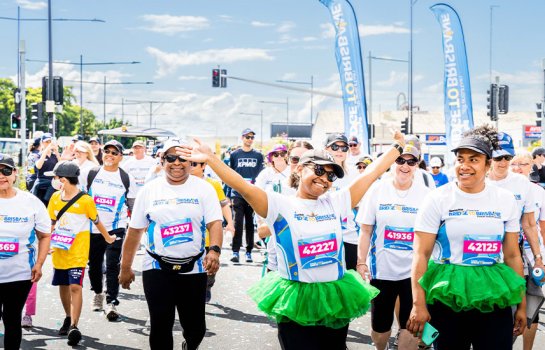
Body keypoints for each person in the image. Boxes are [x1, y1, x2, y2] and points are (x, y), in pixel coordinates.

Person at [176, 132, 405, 350]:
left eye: (330, 175)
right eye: (318, 170)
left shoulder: (336, 202)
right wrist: (211, 159)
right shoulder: (279, 204)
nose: (324, 179)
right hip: (296, 300)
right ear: (301, 168)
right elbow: (242, 187)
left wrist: (397, 147)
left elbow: (370, 174)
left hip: (335, 298)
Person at [407, 125, 527, 349]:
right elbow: (421, 254)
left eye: (474, 159)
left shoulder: (505, 199)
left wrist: (521, 304)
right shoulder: (437, 199)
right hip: (447, 295)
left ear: (488, 164)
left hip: (492, 294)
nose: (465, 166)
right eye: (460, 159)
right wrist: (418, 305)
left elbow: (512, 255)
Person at [119, 139, 223, 350]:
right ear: (162, 160)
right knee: (160, 326)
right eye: (171, 158)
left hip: (194, 268)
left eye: (182, 158)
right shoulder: (149, 190)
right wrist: (125, 267)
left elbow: (215, 223)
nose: (177, 163)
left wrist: (214, 251)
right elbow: (134, 232)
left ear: (191, 161)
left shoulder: (204, 189)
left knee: (196, 329)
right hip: (156, 267)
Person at [357, 138, 430, 350]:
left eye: (411, 162)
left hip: (413, 273)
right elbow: (365, 229)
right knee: (380, 331)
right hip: (382, 272)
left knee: (410, 328)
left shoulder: (426, 195)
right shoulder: (377, 190)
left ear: (417, 165)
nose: (405, 166)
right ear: (392, 163)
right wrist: (361, 262)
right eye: (400, 160)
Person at [46, 161, 116, 345]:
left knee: (75, 286)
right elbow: (51, 222)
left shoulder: (86, 200)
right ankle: (68, 317)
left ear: (62, 179)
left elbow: (97, 220)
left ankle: (74, 326)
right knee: (63, 286)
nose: (54, 181)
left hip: (78, 251)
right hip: (60, 249)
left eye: (55, 178)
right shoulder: (54, 197)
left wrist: (108, 237)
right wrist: (47, 243)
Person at [0, 153, 51, 349]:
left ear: (14, 173)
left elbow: (45, 235)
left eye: (5, 170)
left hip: (19, 275)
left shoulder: (30, 202)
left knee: (12, 319)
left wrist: (39, 264)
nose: (1, 176)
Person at [86, 140, 137, 320]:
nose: (109, 154)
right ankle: (98, 293)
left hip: (116, 227)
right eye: (106, 151)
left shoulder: (126, 177)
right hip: (92, 227)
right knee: (94, 265)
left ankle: (112, 302)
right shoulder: (91, 173)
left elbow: (132, 203)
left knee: (112, 264)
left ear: (120, 157)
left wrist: (136, 225)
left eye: (114, 153)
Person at [510, 152, 545, 350]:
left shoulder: (538, 191)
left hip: (531, 258)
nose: (517, 168)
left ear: (531, 166)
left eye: (523, 164)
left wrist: (541, 258)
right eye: (514, 164)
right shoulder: (502, 190)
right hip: (507, 257)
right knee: (510, 305)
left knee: (532, 304)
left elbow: (542, 226)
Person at [190, 159, 235, 303]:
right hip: (190, 235)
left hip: (210, 235)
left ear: (203, 166)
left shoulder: (213, 184)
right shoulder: (182, 182)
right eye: (188, 163)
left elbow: (224, 205)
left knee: (209, 267)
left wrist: (230, 223)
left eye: (194, 163)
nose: (190, 166)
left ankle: (208, 286)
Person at [324, 133, 359, 270]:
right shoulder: (318, 172)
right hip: (324, 236)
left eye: (344, 148)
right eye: (335, 147)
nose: (339, 151)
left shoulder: (354, 174)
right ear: (326, 149)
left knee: (349, 282)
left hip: (348, 235)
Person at [229, 128, 264, 263]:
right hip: (237, 193)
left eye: (252, 137)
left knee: (250, 223)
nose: (250, 139)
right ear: (242, 138)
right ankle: (235, 251)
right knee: (238, 223)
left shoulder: (258, 155)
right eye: (247, 137)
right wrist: (228, 195)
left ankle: (248, 252)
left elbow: (261, 175)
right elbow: (229, 175)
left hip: (252, 193)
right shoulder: (235, 155)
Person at [31, 133, 60, 206]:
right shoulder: (37, 155)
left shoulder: (54, 156)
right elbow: (38, 166)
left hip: (52, 184)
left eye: (50, 142)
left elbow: (61, 165)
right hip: (41, 182)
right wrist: (45, 151)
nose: (49, 144)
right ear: (42, 143)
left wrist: (56, 151)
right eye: (46, 142)